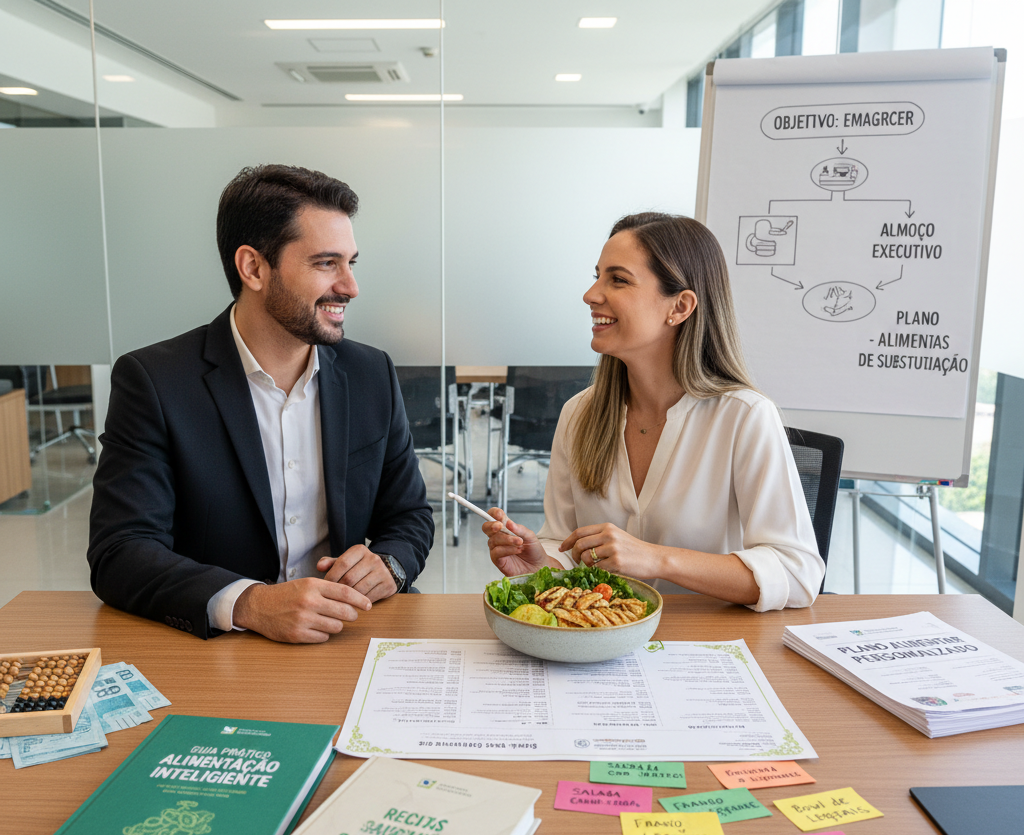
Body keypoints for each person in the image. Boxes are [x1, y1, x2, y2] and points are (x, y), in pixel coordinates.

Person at [88, 164, 434, 642]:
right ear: (253, 267)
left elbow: (409, 515)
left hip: (349, 634)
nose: (350, 286)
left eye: (351, 262)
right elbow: (120, 551)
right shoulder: (155, 381)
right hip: (224, 647)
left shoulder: (371, 373)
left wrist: (389, 564)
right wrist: (248, 602)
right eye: (325, 263)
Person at [484, 212, 824, 612]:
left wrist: (657, 558)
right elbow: (564, 544)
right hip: (599, 644)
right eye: (597, 276)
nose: (591, 294)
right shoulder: (579, 414)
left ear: (679, 307)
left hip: (706, 649)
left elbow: (797, 574)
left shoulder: (745, 416)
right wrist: (541, 562)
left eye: (618, 279)